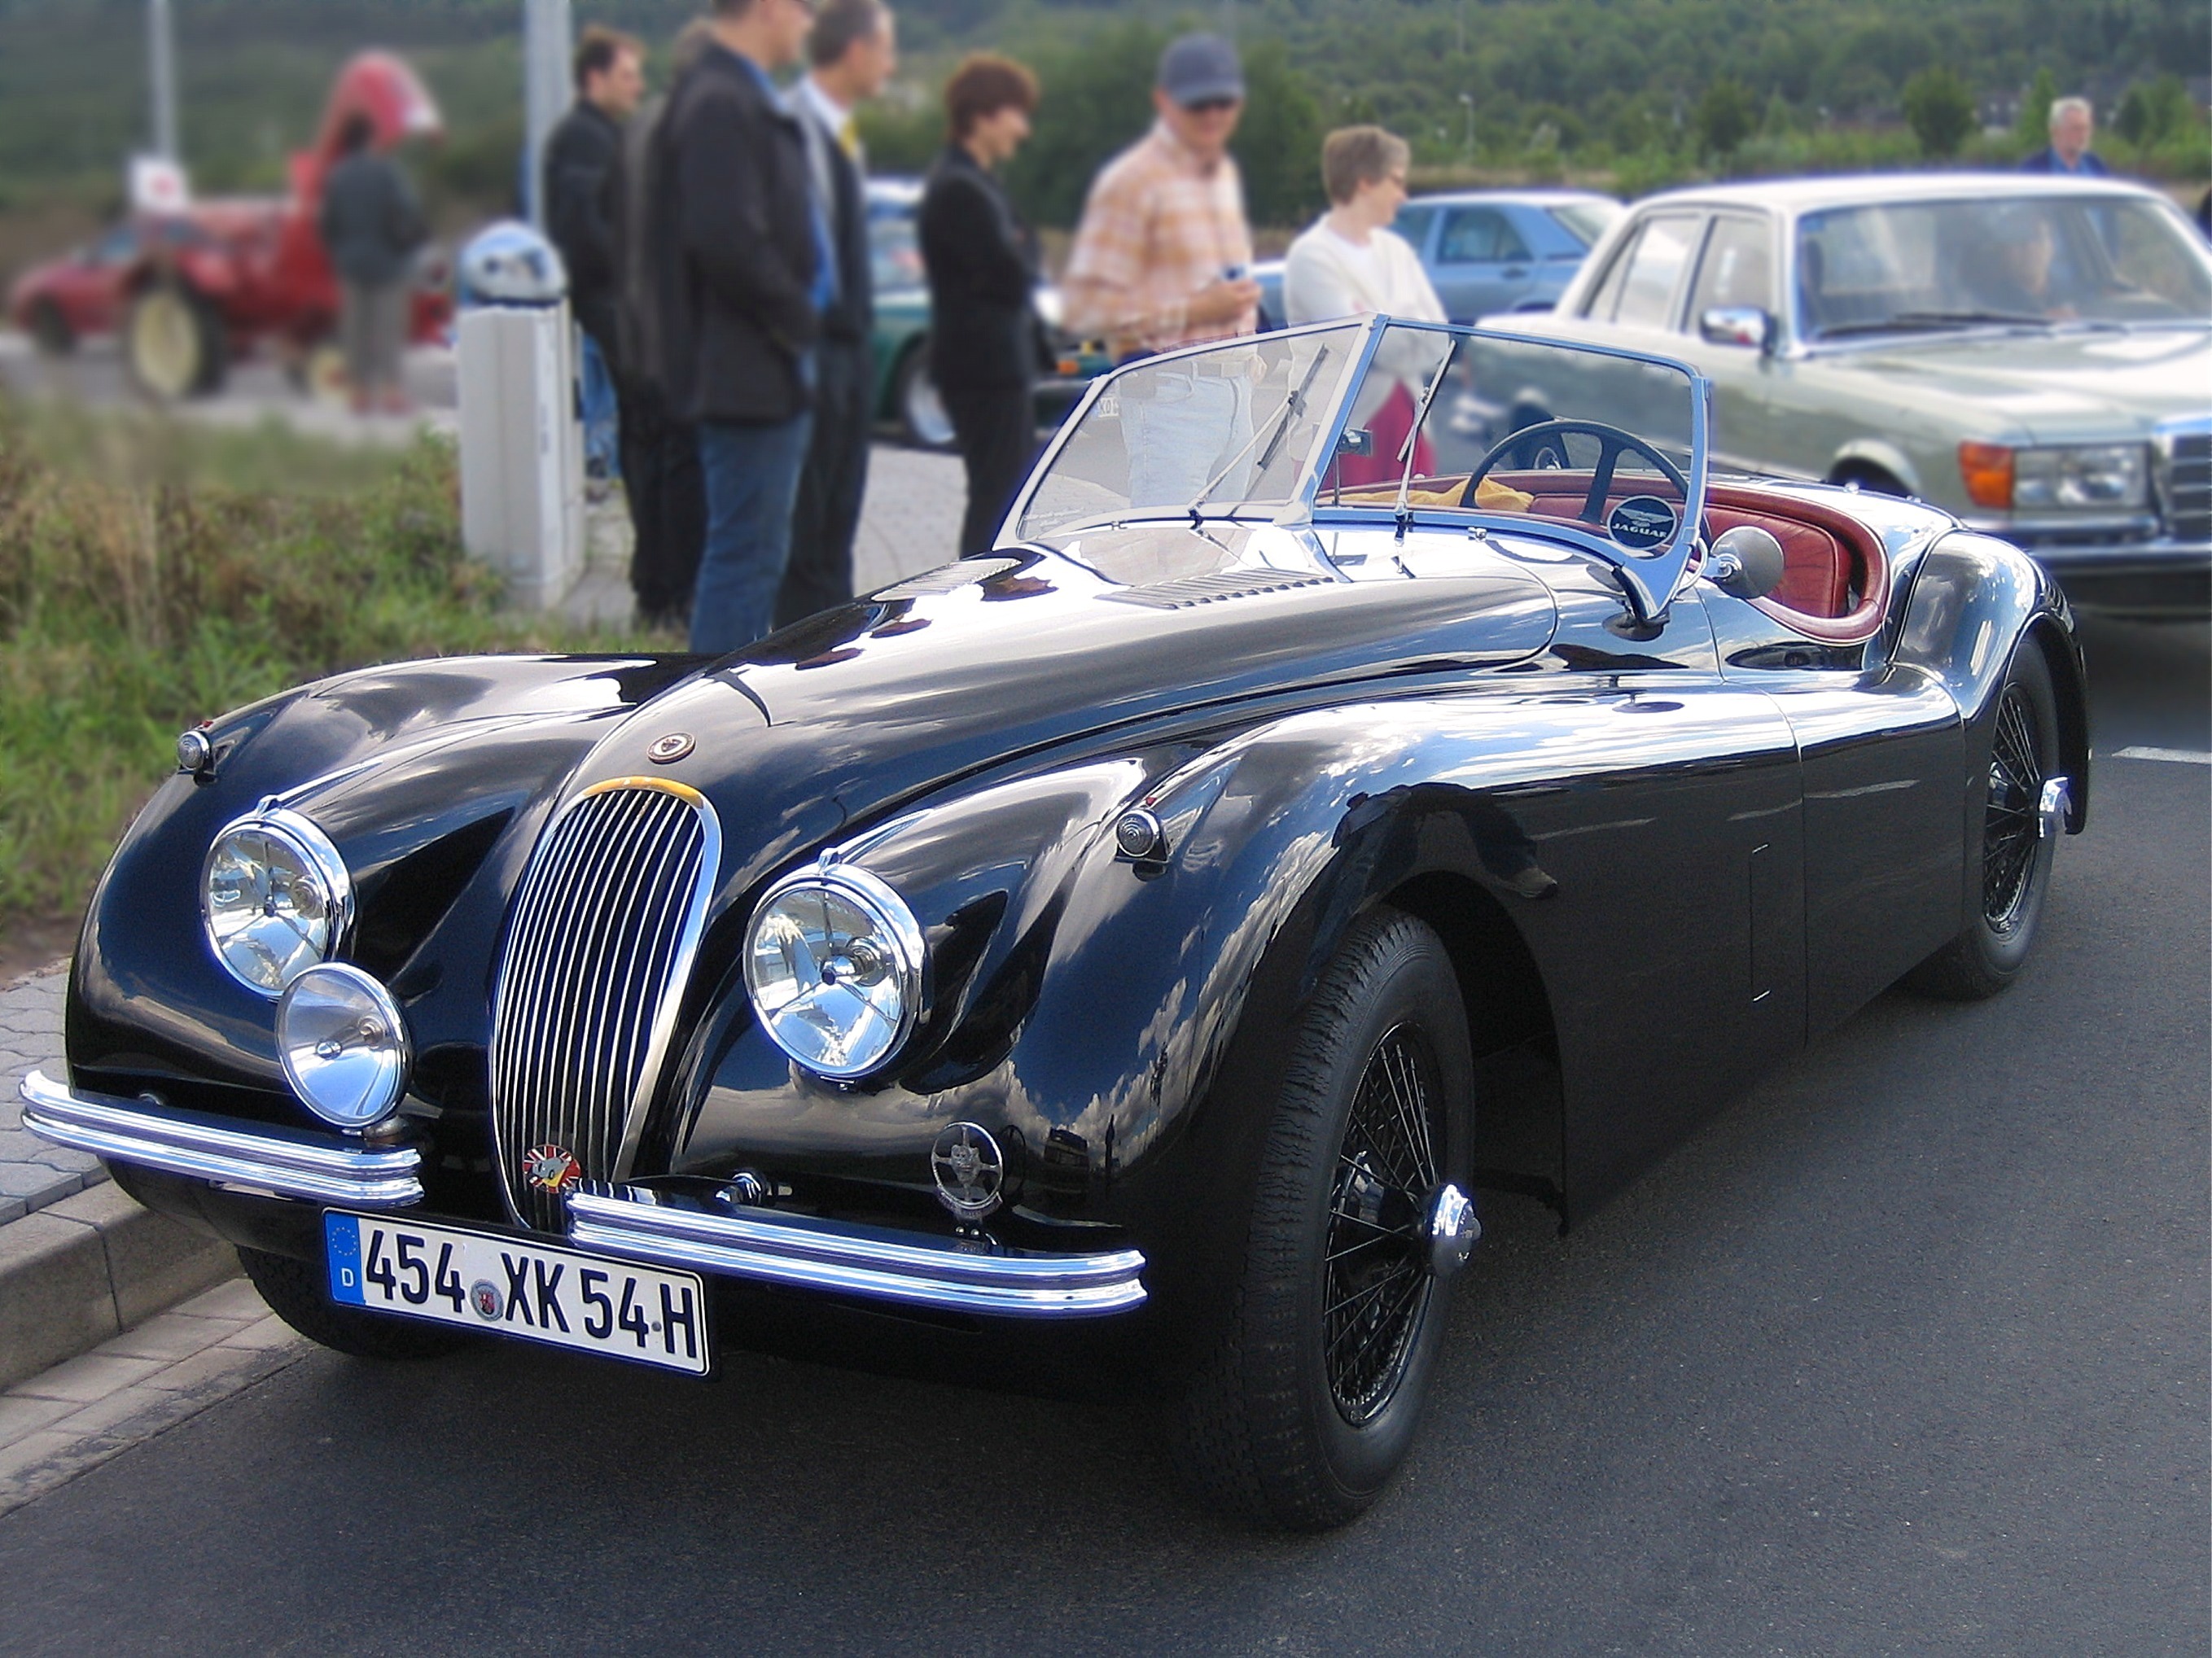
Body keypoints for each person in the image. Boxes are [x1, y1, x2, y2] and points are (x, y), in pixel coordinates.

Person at [650, 0, 828, 655]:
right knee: (743, 560)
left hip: (756, 363)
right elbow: (724, 238)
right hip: (748, 368)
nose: (808, 24)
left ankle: (725, 703)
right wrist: (797, 320)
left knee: (753, 556)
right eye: (804, 9)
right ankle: (709, 729)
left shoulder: (732, 95)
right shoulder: (720, 101)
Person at [1062, 33, 1263, 506]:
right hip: (1172, 395)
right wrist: (1198, 309)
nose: (1213, 115)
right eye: (1198, 104)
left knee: (1229, 562)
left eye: (1224, 102)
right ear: (1164, 103)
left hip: (1237, 392)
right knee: (1165, 558)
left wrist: (1250, 354)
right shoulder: (1131, 184)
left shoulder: (1223, 177)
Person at [777, 0, 897, 628]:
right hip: (809, 349)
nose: (890, 63)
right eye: (884, 48)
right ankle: (797, 652)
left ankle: (830, 644)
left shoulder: (843, 134)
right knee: (807, 519)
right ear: (853, 51)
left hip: (847, 350)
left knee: (837, 519)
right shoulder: (788, 127)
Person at [609, 20, 712, 631]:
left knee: (649, 463)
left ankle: (652, 589)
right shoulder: (686, 130)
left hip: (635, 321)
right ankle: (674, 597)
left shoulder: (642, 123)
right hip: (675, 326)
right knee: (681, 468)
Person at [918, 54, 1042, 556]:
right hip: (983, 367)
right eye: (1017, 114)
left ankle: (993, 588)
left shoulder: (979, 183)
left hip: (995, 363)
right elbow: (1013, 273)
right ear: (985, 114)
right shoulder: (959, 188)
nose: (1023, 129)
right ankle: (981, 594)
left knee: (1002, 493)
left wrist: (1021, 249)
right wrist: (1020, 252)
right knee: (998, 498)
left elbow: (1024, 251)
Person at [1281, 125, 1448, 488]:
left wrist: (1383, 323)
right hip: (1340, 435)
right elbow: (1358, 344)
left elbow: (1437, 340)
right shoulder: (1312, 257)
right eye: (1395, 182)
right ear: (1364, 183)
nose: (1402, 196)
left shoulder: (1397, 253)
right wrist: (1405, 324)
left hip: (1406, 430)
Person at [544, 26, 646, 493]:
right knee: (646, 413)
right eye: (626, 75)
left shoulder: (602, 134)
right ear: (594, 77)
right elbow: (586, 230)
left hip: (611, 296)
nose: (637, 86)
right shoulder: (585, 139)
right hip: (607, 298)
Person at [318, 112, 427, 414]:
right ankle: (391, 391)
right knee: (388, 328)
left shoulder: (337, 176)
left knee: (355, 328)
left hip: (351, 262)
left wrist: (339, 252)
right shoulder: (387, 171)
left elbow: (327, 223)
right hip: (389, 262)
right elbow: (408, 208)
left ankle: (359, 392)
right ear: (370, 139)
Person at [2021, 96, 2110, 176]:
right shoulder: (2033, 168)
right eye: (2076, 129)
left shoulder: (2096, 166)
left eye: (2086, 128)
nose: (2083, 135)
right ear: (2055, 131)